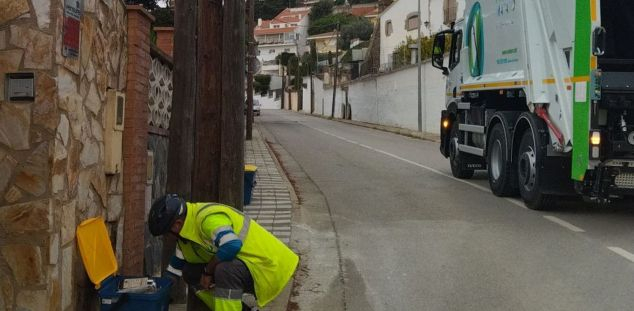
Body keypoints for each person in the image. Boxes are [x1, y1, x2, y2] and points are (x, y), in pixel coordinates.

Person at [148, 194, 299, 311]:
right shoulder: (185, 236)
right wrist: (156, 291)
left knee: (224, 270)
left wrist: (207, 272)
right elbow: (176, 268)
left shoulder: (206, 219)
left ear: (177, 224)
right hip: (250, 268)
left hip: (271, 267)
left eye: (166, 233)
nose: (166, 237)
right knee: (190, 272)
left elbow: (232, 245)